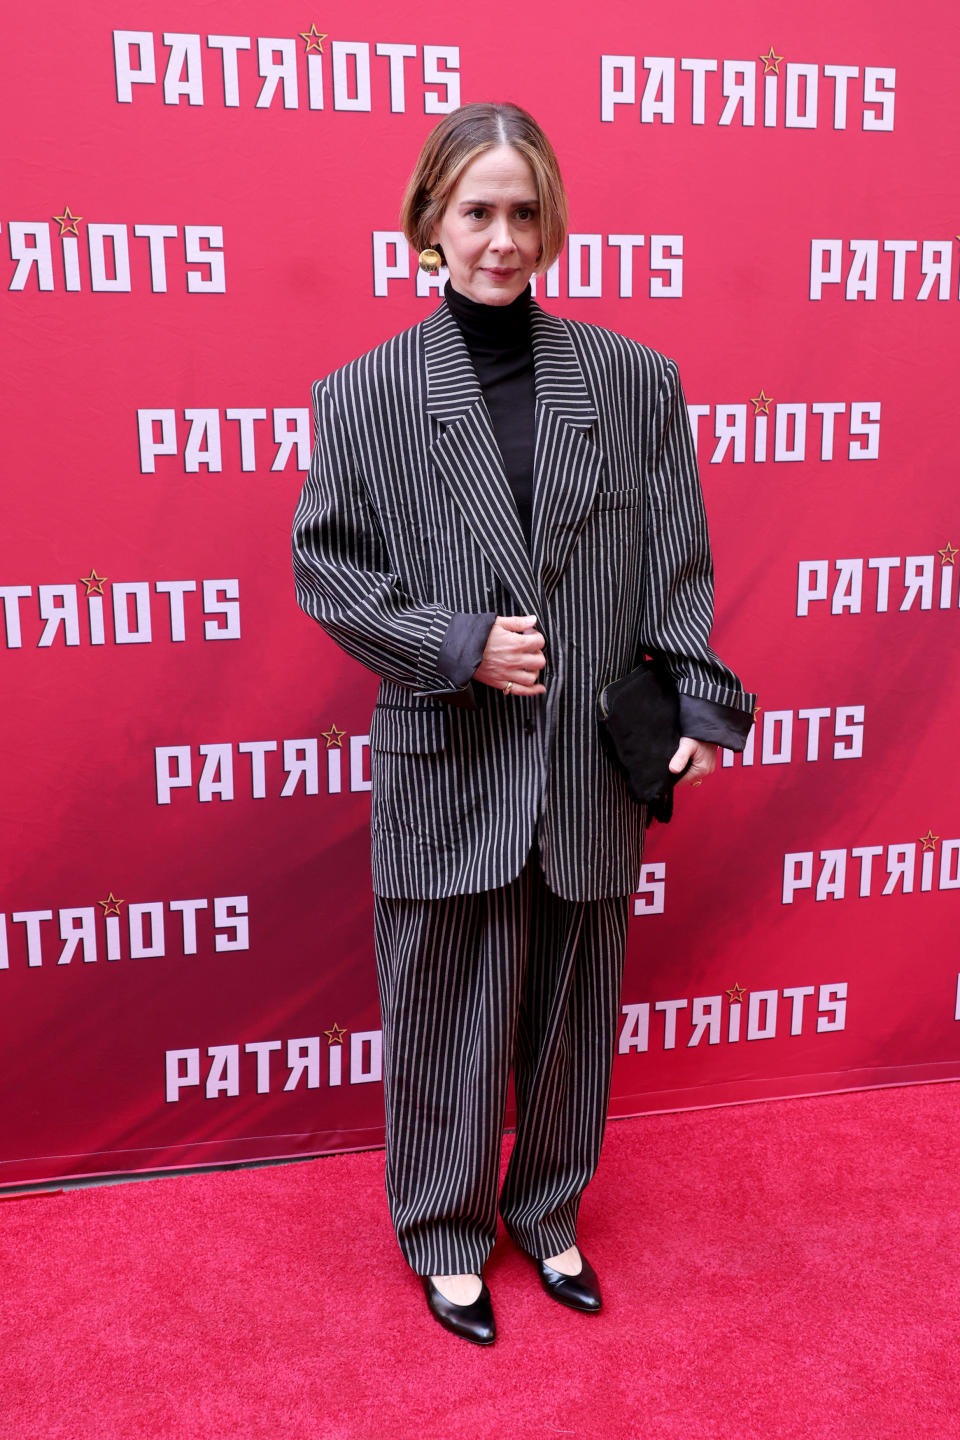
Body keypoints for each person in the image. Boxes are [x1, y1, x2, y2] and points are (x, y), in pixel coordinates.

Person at [292, 102, 755, 1346]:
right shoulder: (366, 396)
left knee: (569, 1011)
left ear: (550, 220)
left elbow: (679, 564)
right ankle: (444, 1238)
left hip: (589, 766)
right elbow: (330, 574)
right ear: (429, 223)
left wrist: (701, 698)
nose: (503, 237)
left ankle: (548, 1212)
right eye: (478, 209)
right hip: (449, 759)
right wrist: (456, 643)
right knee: (446, 1008)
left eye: (523, 210)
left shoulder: (633, 380)